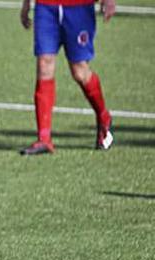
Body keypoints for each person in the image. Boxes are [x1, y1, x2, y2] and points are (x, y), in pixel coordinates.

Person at [19, 0, 116, 155]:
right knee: (44, 64)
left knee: (79, 71)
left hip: (79, 7)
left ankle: (104, 117)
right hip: (46, 7)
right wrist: (26, 4)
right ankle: (44, 139)